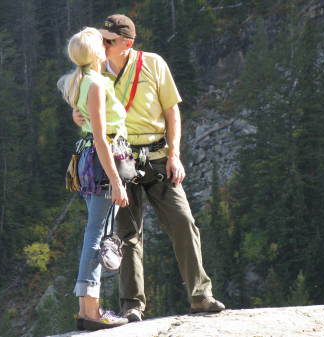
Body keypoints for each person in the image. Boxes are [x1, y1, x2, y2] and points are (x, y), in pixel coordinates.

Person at [72, 14, 225, 322]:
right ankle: (132, 305)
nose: (102, 44)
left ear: (126, 44)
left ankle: (200, 295)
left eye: (108, 40)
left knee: (183, 221)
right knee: (127, 233)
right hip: (120, 158)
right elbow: (87, 115)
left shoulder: (154, 64)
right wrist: (79, 118)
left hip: (157, 155)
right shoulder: (96, 72)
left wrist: (175, 155)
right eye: (101, 38)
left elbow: (173, 114)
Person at [57, 27, 129, 330]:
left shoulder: (78, 81)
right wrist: (115, 181)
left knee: (95, 232)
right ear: (97, 52)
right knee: (96, 235)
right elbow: (101, 137)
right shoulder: (97, 84)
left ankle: (88, 310)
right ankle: (91, 311)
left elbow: (83, 118)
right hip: (103, 160)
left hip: (87, 160)